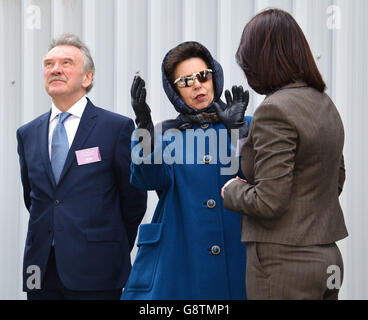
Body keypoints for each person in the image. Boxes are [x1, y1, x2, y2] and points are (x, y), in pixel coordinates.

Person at [219, 8, 348, 300]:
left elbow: (268, 201)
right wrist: (242, 135)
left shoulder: (274, 109)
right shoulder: (324, 105)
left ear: (261, 62)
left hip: (284, 264)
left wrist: (233, 191)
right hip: (327, 259)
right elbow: (335, 179)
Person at [16, 33, 147, 300]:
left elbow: (133, 200)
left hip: (97, 270)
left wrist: (107, 244)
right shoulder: (27, 133)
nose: (55, 69)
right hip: (40, 269)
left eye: (66, 63)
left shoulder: (116, 128)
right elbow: (36, 199)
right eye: (49, 64)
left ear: (87, 78)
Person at [121, 41, 251, 299]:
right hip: (180, 259)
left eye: (203, 76)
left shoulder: (245, 124)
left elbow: (259, 179)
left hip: (240, 255)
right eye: (185, 81)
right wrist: (144, 129)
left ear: (214, 76)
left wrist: (238, 134)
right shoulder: (163, 134)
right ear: (174, 91)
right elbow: (147, 179)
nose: (196, 85)